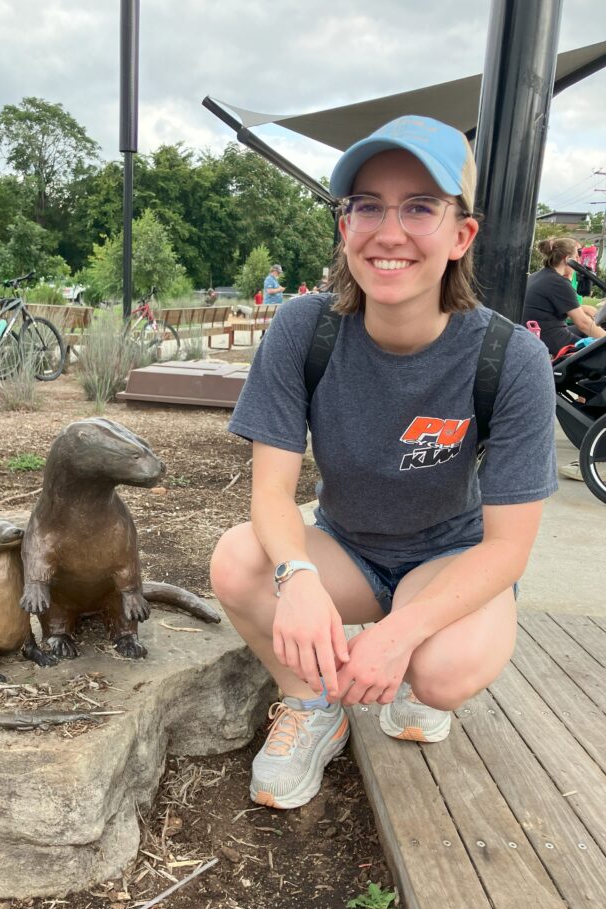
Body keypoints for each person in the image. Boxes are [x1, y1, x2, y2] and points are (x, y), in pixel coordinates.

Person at [210, 115, 557, 811]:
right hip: (347, 548)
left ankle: (416, 664)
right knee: (238, 560)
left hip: (447, 557)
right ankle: (311, 706)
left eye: (420, 208)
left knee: (442, 673)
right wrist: (299, 577)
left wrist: (401, 633)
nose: (388, 231)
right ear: (345, 227)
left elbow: (510, 548)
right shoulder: (304, 328)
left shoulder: (510, 359)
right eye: (366, 205)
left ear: (462, 235)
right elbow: (273, 495)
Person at [522, 237, 605, 357]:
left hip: (537, 334)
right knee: (598, 353)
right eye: (576, 257)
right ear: (567, 259)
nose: (579, 261)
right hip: (550, 339)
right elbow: (583, 323)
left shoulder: (539, 276)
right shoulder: (558, 282)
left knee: (590, 332)